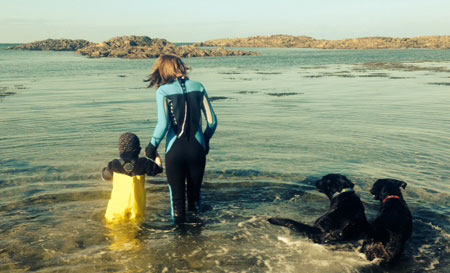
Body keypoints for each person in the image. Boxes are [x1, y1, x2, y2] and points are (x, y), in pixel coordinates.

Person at [145, 55, 217, 224]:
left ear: (163, 69)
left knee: (176, 200)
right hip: (197, 149)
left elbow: (163, 125)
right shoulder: (198, 87)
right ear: (181, 67)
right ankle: (197, 238)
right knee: (194, 198)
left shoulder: (163, 91)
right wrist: (205, 141)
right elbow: (213, 122)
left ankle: (180, 242)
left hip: (174, 151)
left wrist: (151, 147)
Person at [102, 132, 163, 223]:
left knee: (114, 234)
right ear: (139, 149)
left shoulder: (114, 164)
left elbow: (105, 177)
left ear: (120, 150)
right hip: (136, 208)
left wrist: (105, 170)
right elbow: (159, 169)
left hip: (116, 208)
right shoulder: (144, 163)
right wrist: (155, 154)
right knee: (137, 234)